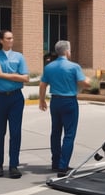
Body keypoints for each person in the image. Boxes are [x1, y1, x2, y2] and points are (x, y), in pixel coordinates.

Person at [39, 40, 91, 177]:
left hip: (55, 101)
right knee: (69, 134)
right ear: (67, 51)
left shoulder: (49, 67)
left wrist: (41, 100)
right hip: (69, 102)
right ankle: (63, 166)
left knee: (55, 132)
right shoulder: (74, 67)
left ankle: (55, 162)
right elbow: (84, 83)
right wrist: (89, 81)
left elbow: (42, 85)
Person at [0, 30, 30, 179]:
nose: (11, 40)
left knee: (15, 132)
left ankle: (13, 166)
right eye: (8, 38)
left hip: (16, 99)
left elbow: (25, 78)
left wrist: (2, 75)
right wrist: (14, 76)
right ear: (1, 40)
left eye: (12, 37)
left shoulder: (19, 57)